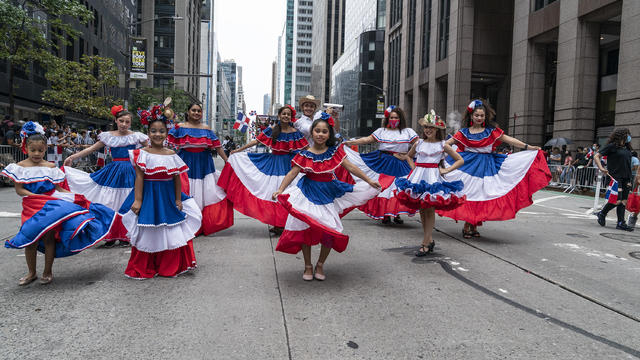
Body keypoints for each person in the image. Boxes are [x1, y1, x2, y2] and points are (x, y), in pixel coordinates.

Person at [1, 122, 118, 285]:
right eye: (32, 150)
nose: (36, 153)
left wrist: (75, 197)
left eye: (40, 150)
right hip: (31, 206)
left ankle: (47, 271)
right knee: (30, 239)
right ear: (25, 148)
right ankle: (31, 272)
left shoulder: (50, 167)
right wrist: (35, 196)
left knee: (49, 239)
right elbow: (20, 190)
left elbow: (59, 189)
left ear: (45, 149)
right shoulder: (19, 167)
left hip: (50, 207)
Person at [271, 114, 384, 281]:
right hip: (307, 194)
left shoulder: (334, 153)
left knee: (330, 231)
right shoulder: (304, 154)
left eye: (324, 131)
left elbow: (351, 167)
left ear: (329, 134)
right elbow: (293, 172)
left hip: (328, 194)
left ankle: (321, 264)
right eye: (317, 130)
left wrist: (368, 180)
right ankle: (308, 265)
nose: (320, 134)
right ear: (312, 132)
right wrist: (280, 189)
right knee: (304, 229)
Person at [437, 99, 550, 238]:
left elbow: (509, 140)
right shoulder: (463, 132)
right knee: (469, 194)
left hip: (487, 167)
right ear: (471, 116)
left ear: (486, 117)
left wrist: (529, 147)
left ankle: (474, 223)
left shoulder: (491, 131)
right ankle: (468, 224)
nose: (479, 118)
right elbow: (447, 144)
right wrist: (435, 150)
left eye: (482, 115)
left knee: (483, 194)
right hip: (467, 166)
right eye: (476, 115)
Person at [119, 112, 202, 279]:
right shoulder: (141, 153)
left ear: (167, 132)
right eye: (154, 131)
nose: (158, 134)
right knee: (148, 230)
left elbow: (177, 178)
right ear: (148, 132)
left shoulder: (171, 154)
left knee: (170, 229)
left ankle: (169, 266)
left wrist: (178, 199)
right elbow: (140, 177)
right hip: (149, 196)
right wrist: (138, 200)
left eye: (162, 131)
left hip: (167, 197)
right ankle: (146, 266)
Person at [62, 105, 148, 246]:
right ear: (116, 120)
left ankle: (126, 234)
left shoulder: (137, 136)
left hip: (131, 172)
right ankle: (111, 234)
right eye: (121, 121)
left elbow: (151, 147)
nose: (124, 124)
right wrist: (73, 157)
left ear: (131, 123)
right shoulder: (108, 136)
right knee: (110, 202)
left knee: (128, 201)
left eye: (127, 121)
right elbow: (91, 149)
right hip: (113, 172)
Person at [218, 105, 308, 233]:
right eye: (283, 114)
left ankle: (285, 224)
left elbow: (306, 148)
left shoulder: (295, 133)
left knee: (288, 193)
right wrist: (238, 150)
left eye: (288, 114)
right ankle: (278, 224)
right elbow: (256, 141)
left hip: (289, 165)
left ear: (291, 117)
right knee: (274, 192)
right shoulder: (272, 129)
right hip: (273, 163)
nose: (286, 116)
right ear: (279, 116)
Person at [395, 110, 465, 256]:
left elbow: (460, 160)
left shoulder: (442, 145)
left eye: (431, 127)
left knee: (429, 209)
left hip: (433, 178)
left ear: (437, 129)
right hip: (418, 178)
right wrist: (414, 168)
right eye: (426, 127)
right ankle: (429, 240)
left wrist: (446, 171)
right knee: (422, 208)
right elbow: (409, 157)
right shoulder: (419, 143)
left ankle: (425, 242)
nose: (428, 130)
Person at [343, 105, 419, 223]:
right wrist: (350, 143)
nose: (394, 120)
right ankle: (385, 214)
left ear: (401, 119)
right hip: (384, 161)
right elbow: (367, 139)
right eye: (391, 118)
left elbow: (419, 144)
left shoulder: (408, 132)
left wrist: (409, 154)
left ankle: (396, 214)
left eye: (396, 118)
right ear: (388, 119)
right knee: (383, 187)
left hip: (402, 163)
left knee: (398, 187)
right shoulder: (382, 131)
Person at [167, 103, 233, 235]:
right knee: (187, 190)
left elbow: (218, 146)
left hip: (204, 164)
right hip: (185, 162)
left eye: (199, 111)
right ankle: (188, 224)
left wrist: (228, 161)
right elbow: (168, 144)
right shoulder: (179, 127)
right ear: (188, 112)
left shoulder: (206, 129)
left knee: (206, 193)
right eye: (193, 110)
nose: (196, 113)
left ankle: (203, 223)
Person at [595, 128, 634, 231]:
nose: (629, 137)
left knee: (623, 201)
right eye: (627, 135)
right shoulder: (612, 146)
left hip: (627, 178)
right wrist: (601, 168)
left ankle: (621, 223)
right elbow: (596, 156)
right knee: (617, 200)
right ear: (621, 135)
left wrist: (630, 179)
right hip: (615, 177)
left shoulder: (627, 148)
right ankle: (602, 213)